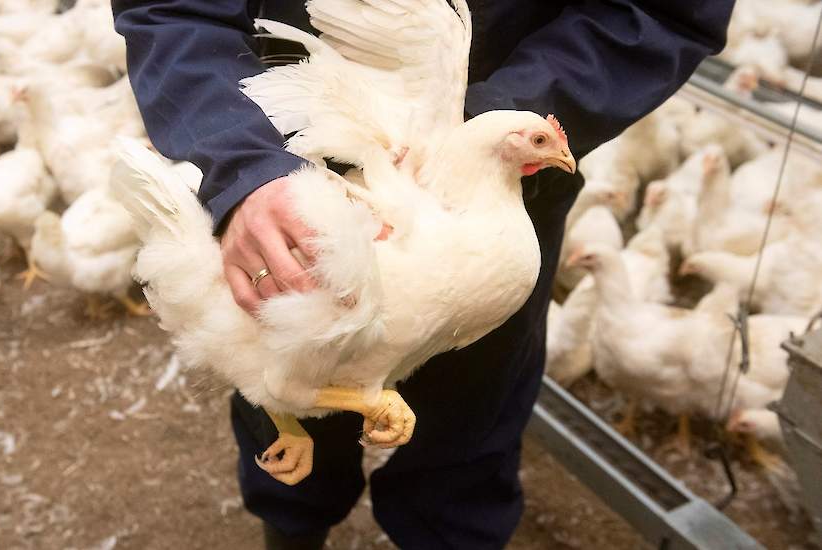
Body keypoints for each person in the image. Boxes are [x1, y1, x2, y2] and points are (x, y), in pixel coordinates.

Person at [112, 2, 734, 548]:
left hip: (482, 182)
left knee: (464, 452)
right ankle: (292, 525)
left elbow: (663, 11)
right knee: (286, 418)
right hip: (279, 183)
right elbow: (171, 7)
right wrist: (241, 169)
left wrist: (473, 126)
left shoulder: (503, 198)